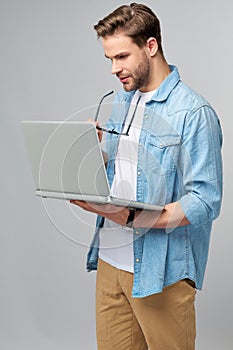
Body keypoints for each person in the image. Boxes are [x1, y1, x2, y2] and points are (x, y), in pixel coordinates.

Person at [71, 3, 223, 349]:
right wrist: (95, 149)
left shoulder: (193, 113)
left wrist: (134, 218)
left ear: (150, 46)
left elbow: (205, 201)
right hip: (110, 262)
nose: (114, 69)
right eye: (110, 59)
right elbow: (128, 167)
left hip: (161, 272)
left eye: (122, 56)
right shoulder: (125, 100)